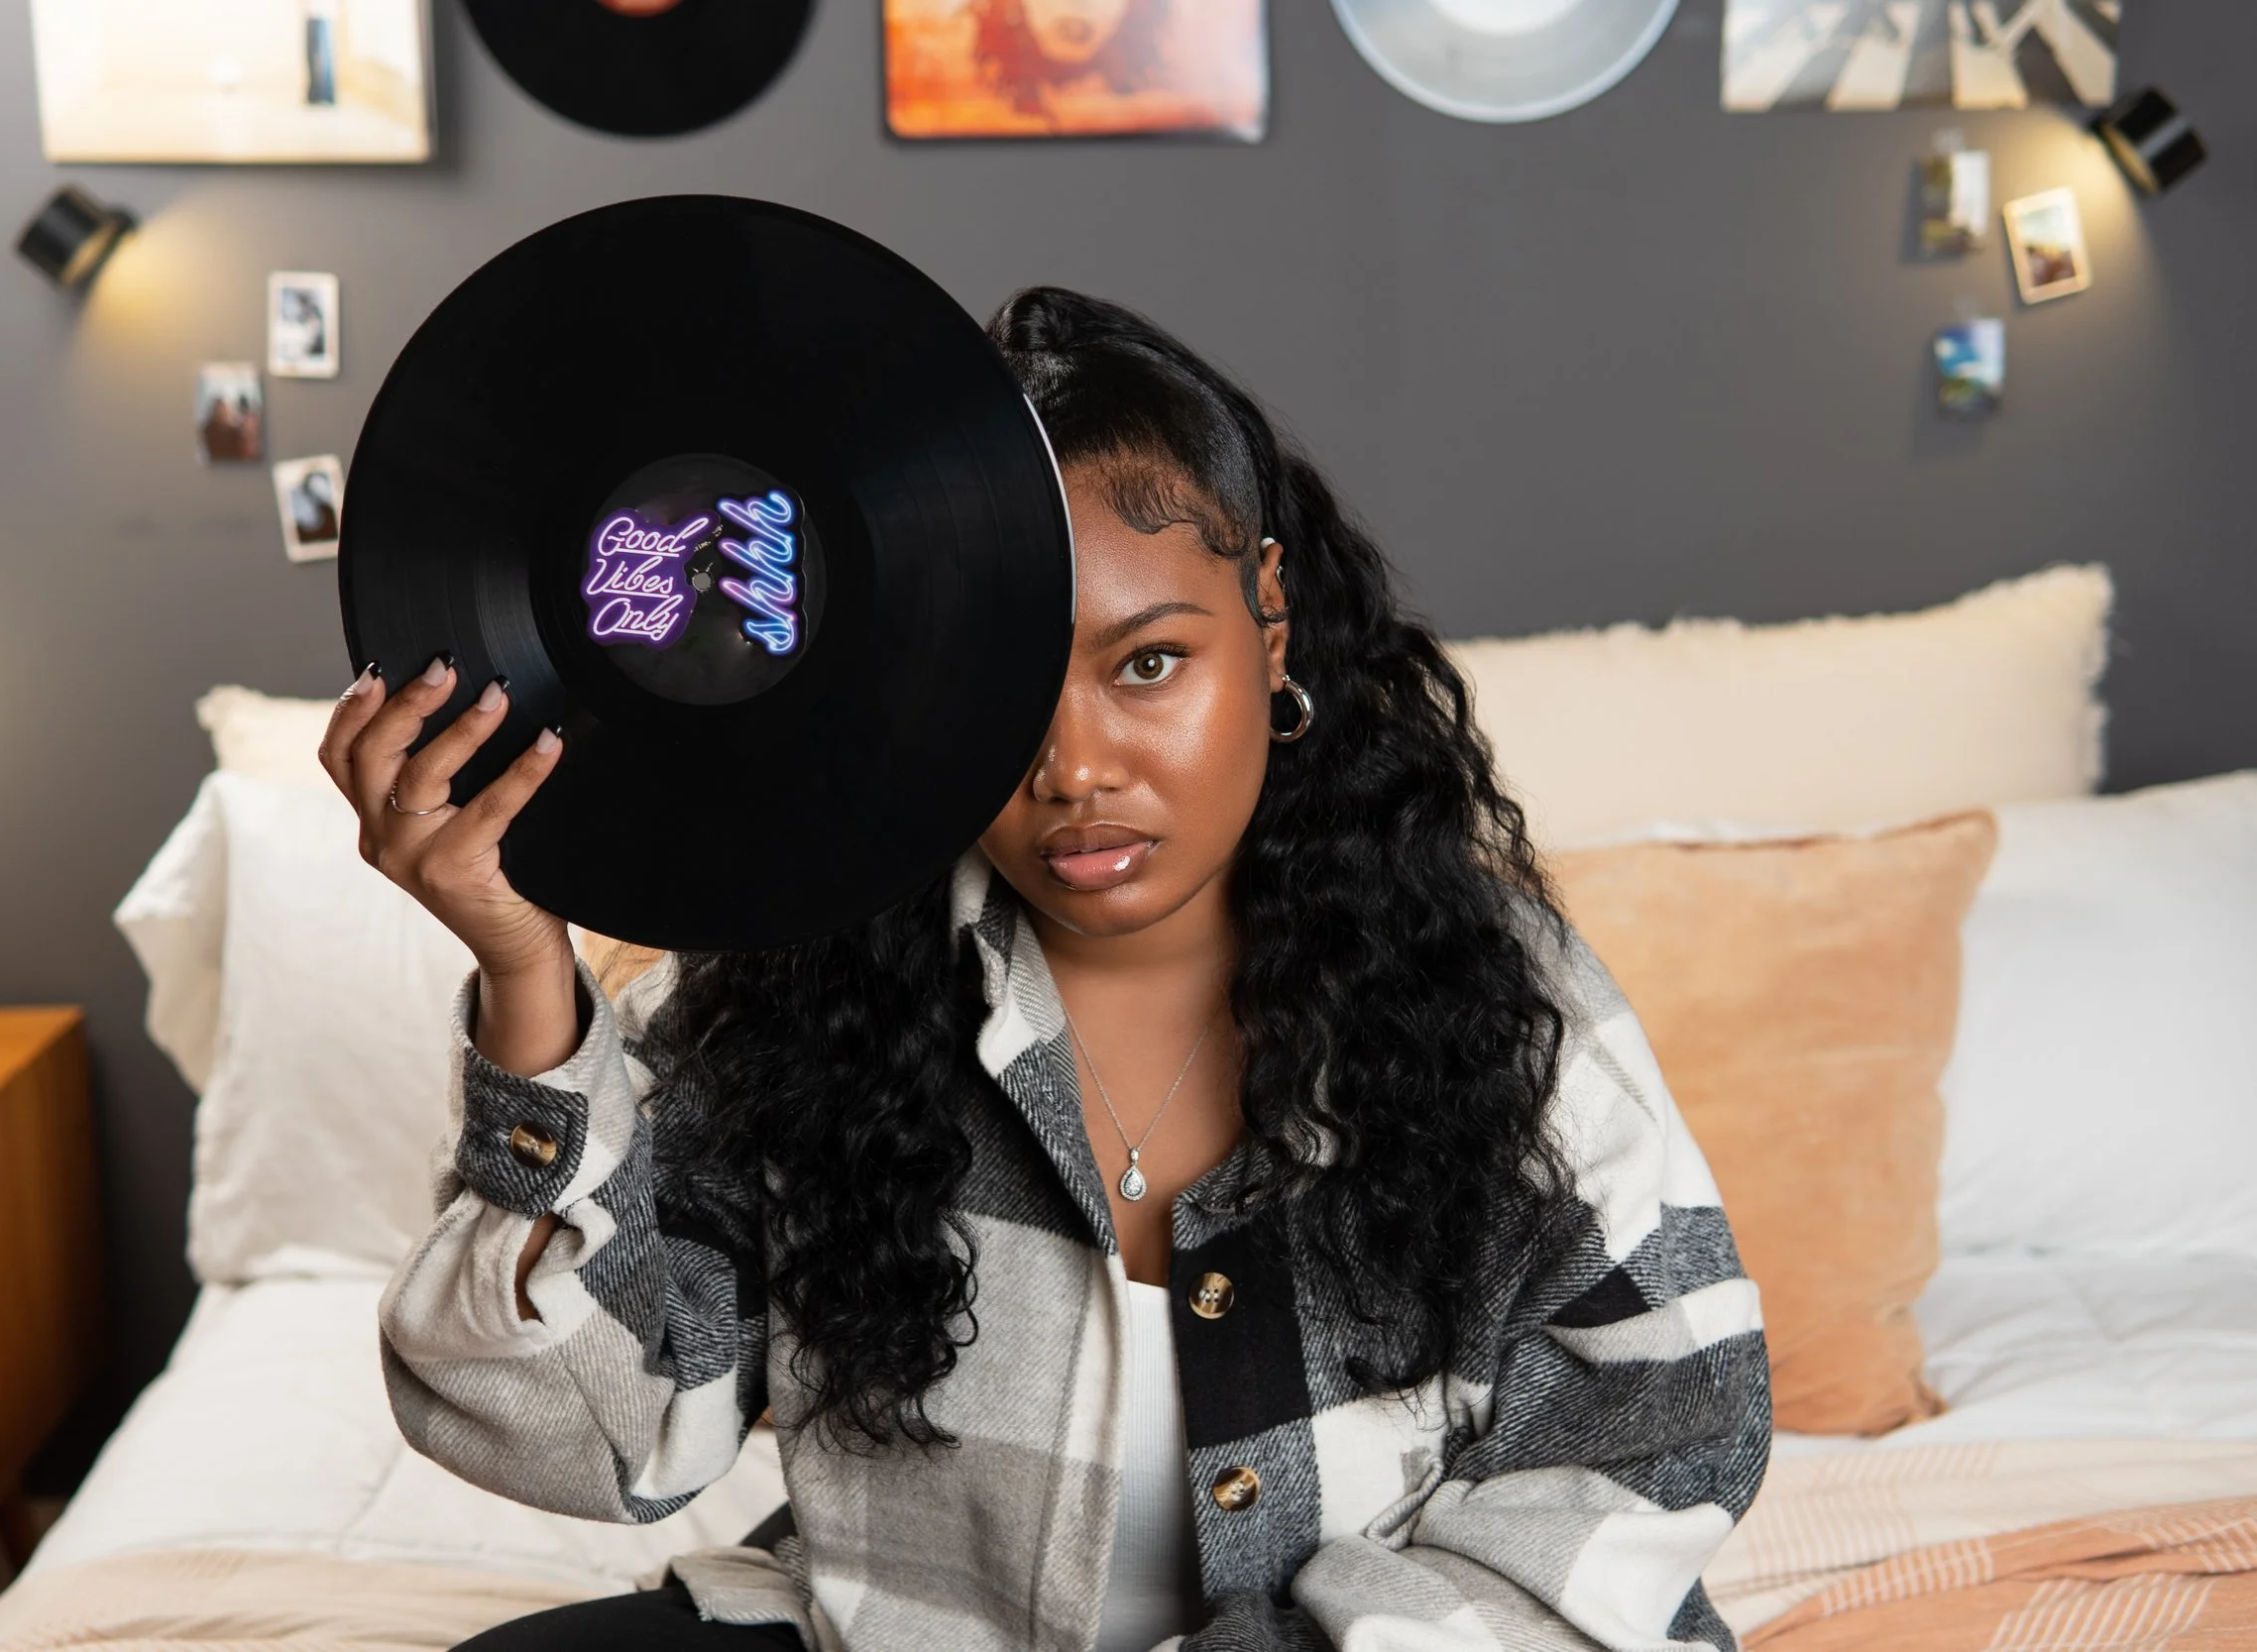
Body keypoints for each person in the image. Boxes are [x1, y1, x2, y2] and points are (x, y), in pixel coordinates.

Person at [317, 288, 1770, 1652]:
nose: (1075, 770)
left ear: (1269, 620)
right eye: (1001, 692)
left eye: (1148, 664)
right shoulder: (799, 991)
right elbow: (587, 1432)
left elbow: (1657, 1439)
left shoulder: (1501, 1007)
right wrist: (525, 974)